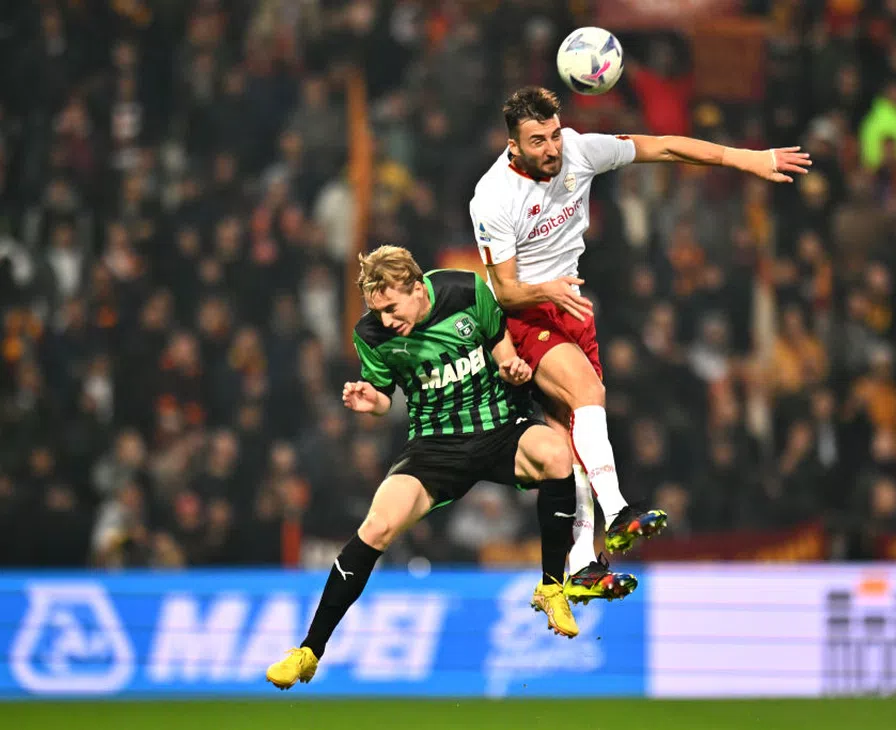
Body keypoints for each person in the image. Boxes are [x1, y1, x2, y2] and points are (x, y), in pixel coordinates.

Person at [469, 86, 812, 604]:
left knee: (569, 448)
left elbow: (665, 147)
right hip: (524, 316)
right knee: (589, 394)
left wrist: (747, 158)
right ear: (513, 145)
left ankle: (581, 566)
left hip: (571, 309)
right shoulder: (494, 195)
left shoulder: (580, 151)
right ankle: (618, 512)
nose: (553, 148)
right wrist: (548, 290)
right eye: (538, 141)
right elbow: (505, 289)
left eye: (555, 134)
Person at [267, 245, 600, 690]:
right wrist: (371, 402)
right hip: (435, 445)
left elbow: (502, 352)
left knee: (556, 454)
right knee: (376, 527)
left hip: (499, 426)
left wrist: (513, 369)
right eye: (378, 311)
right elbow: (384, 397)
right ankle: (309, 651)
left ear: (414, 286)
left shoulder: (466, 291)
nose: (386, 319)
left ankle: (551, 586)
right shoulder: (371, 334)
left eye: (391, 308)